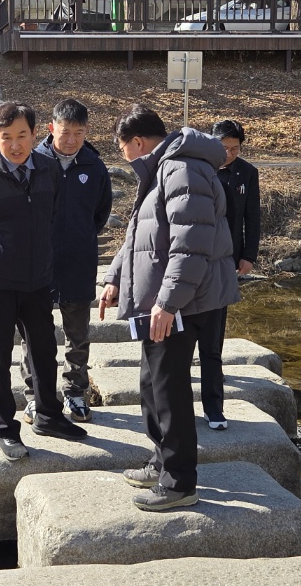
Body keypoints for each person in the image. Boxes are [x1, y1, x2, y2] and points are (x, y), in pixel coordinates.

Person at [100, 104, 239, 510]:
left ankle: (179, 483)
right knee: (153, 384)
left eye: (123, 148)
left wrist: (167, 302)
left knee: (170, 388)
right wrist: (114, 278)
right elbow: (139, 236)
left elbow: (191, 245)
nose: (125, 157)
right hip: (168, 300)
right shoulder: (163, 169)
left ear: (137, 142)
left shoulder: (181, 170)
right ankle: (161, 461)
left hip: (183, 302)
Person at [0, 101, 89, 459]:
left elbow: (52, 216)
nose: (15, 145)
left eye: (22, 135)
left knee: (44, 350)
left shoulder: (48, 170)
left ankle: (48, 416)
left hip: (37, 280)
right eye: (6, 137)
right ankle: (5, 429)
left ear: (34, 134)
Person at [21, 98, 113, 423]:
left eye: (79, 133)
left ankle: (75, 392)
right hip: (38, 265)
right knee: (35, 337)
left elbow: (100, 214)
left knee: (78, 336)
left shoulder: (94, 166)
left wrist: (78, 238)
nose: (72, 140)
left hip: (78, 264)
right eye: (65, 132)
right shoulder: (33, 163)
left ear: (87, 131)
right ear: (50, 129)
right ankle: (36, 396)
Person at [198, 118, 262, 430]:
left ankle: (214, 402)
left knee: (214, 331)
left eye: (235, 149)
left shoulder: (246, 173)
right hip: (195, 257)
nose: (229, 154)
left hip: (227, 259)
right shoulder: (198, 168)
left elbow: (253, 216)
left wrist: (249, 255)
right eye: (224, 148)